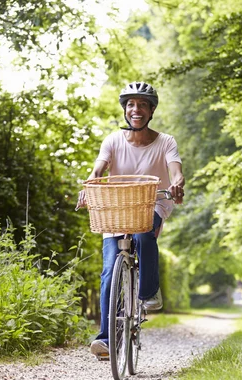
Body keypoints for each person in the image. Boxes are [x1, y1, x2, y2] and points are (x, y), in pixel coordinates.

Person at [77, 82, 185, 359]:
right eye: (131, 105)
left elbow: (175, 172)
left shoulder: (166, 141)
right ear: (125, 110)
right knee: (109, 271)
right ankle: (106, 339)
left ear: (151, 111)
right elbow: (99, 169)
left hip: (153, 203)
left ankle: (149, 292)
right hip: (117, 208)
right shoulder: (113, 140)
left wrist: (176, 185)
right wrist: (89, 187)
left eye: (142, 105)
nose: (135, 110)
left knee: (143, 233)